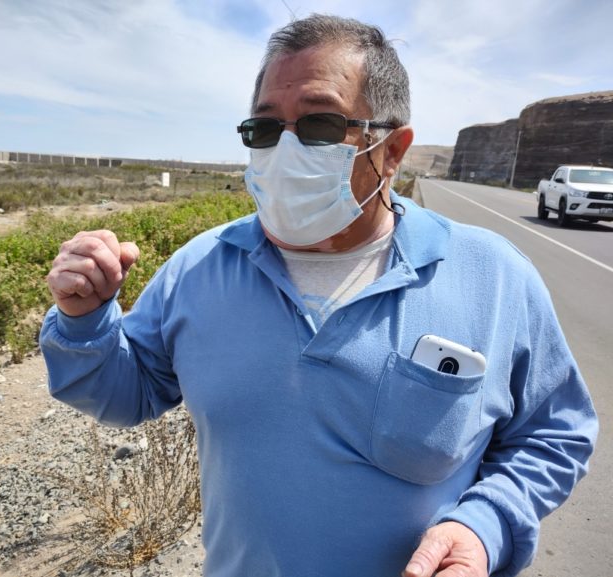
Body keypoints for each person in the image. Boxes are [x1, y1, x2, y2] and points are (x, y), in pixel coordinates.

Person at [40, 14, 597, 577]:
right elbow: (123, 393)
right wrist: (84, 319)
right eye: (264, 130)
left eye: (320, 127)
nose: (284, 151)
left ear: (392, 149)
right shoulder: (201, 267)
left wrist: (487, 525)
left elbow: (555, 432)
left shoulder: (492, 276)